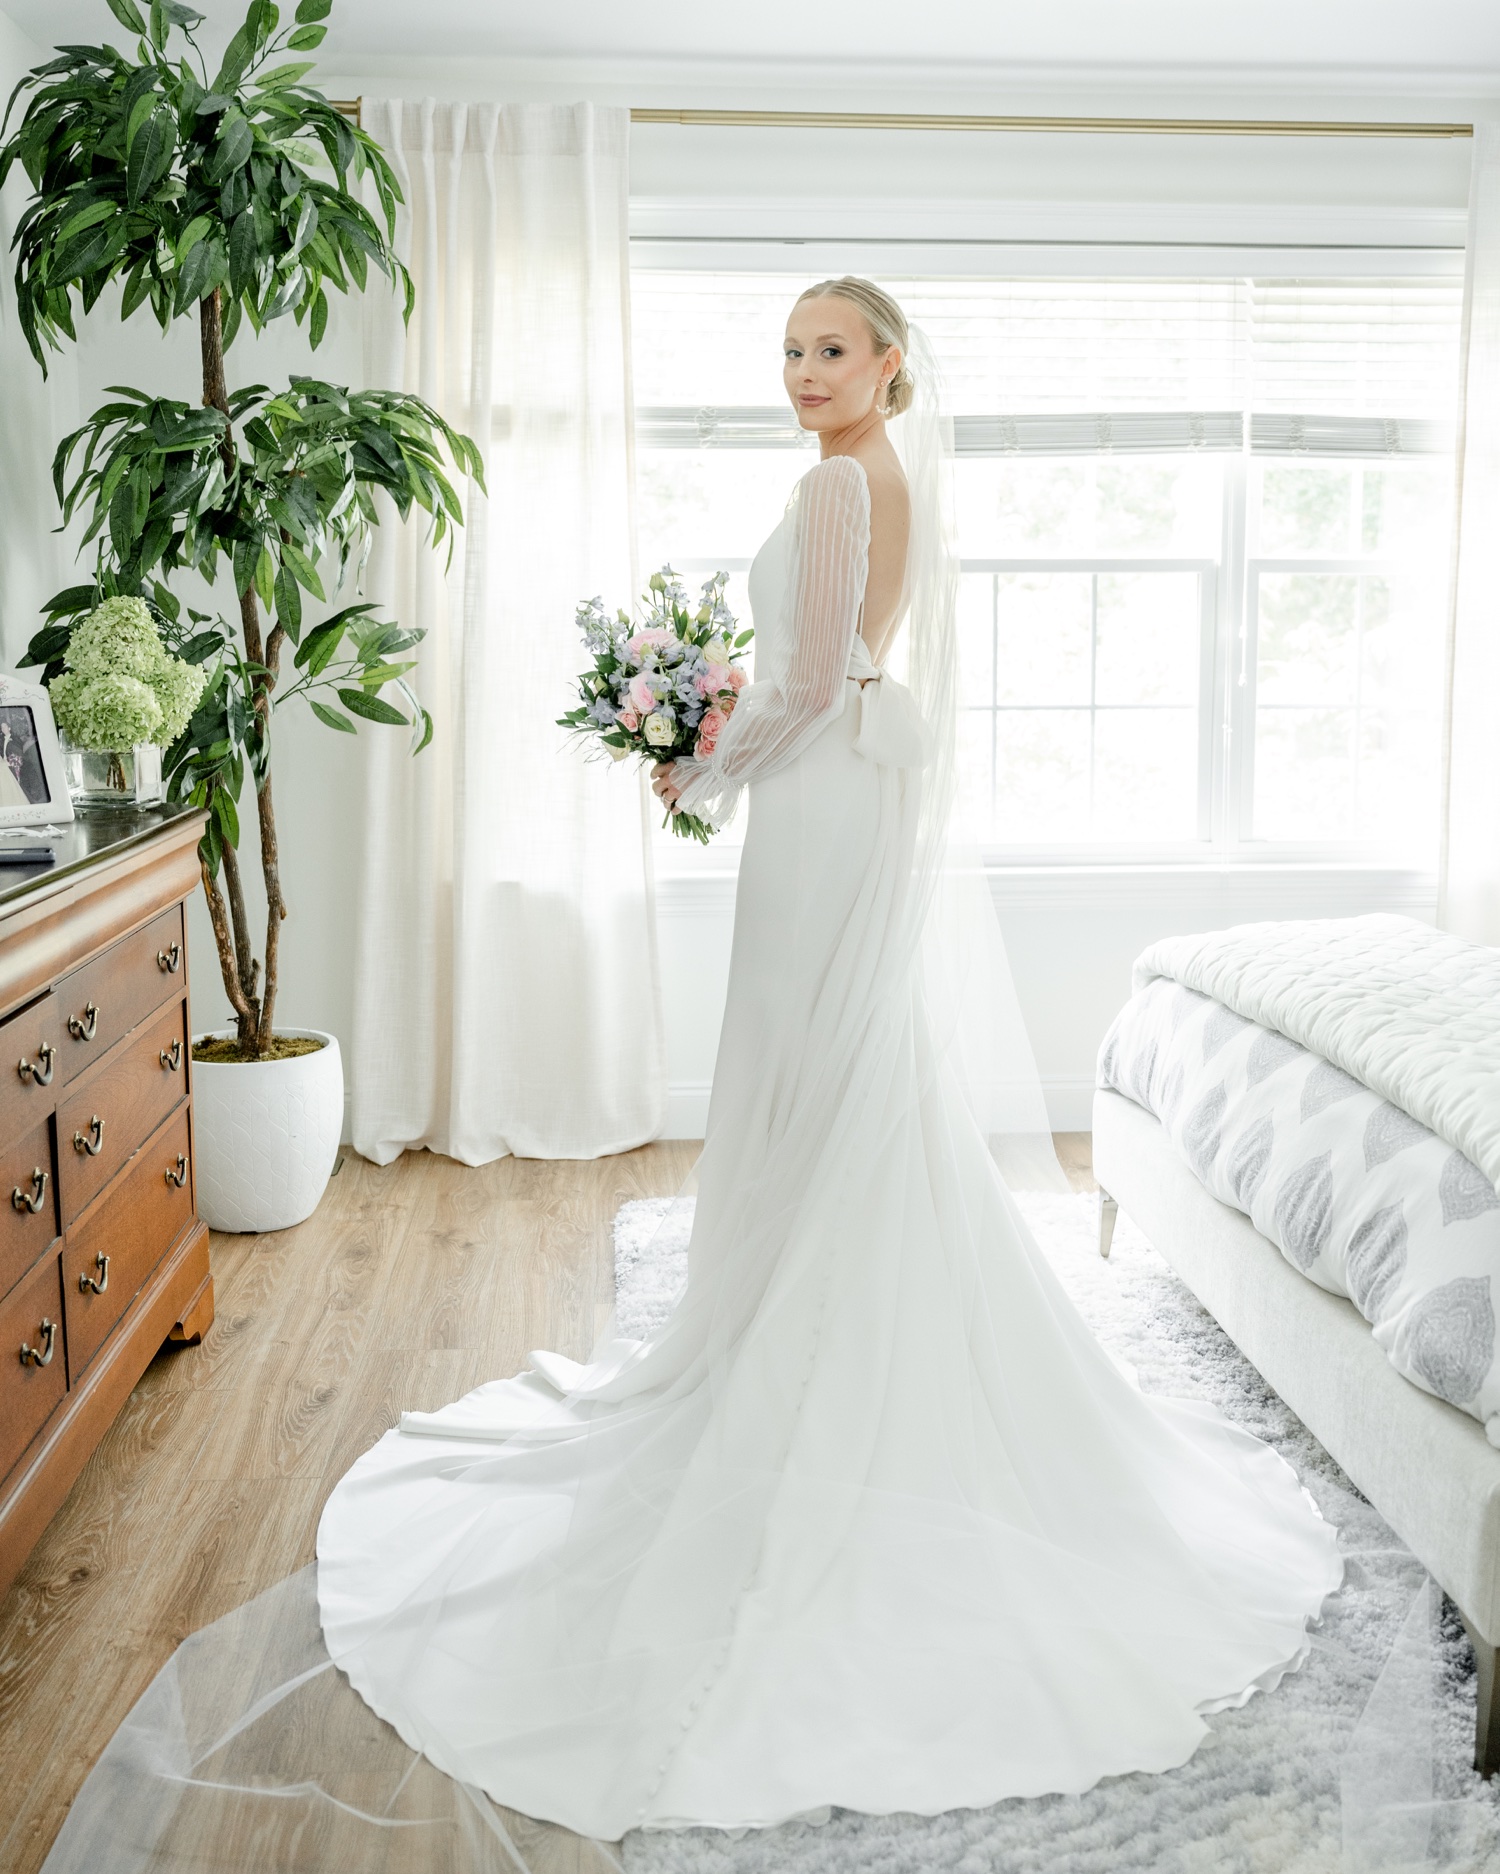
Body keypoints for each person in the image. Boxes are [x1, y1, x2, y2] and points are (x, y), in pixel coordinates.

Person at [311, 277, 1344, 1842]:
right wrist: (716, 740)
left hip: (818, 800)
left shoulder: (834, 480)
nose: (803, 373)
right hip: (847, 798)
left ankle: (795, 1330)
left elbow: (800, 685)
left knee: (804, 1054)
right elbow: (836, 668)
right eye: (789, 353)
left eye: (830, 350)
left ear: (890, 364)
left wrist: (693, 761)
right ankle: (804, 1295)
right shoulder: (890, 482)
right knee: (837, 1062)